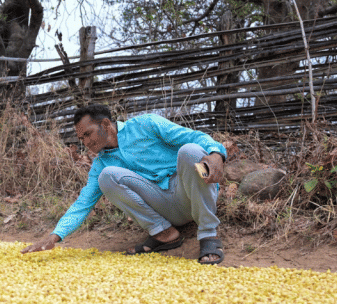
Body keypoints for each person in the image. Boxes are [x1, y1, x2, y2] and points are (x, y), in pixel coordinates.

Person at [21, 104, 227, 264]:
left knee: (190, 150)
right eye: (80, 138)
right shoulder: (101, 163)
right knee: (107, 176)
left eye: (87, 134)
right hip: (165, 208)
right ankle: (164, 234)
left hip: (191, 194)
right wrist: (54, 236)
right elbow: (83, 203)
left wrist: (217, 153)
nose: (85, 142)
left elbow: (194, 136)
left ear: (104, 125)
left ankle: (209, 234)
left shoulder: (146, 124)